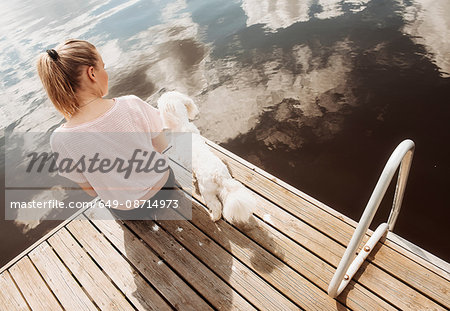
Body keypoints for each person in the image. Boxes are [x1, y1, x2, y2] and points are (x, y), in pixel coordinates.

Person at [37, 39, 178, 220]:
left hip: (129, 211)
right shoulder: (132, 103)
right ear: (92, 73)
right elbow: (162, 146)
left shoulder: (60, 139)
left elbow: (90, 191)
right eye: (103, 67)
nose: (106, 72)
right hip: (164, 186)